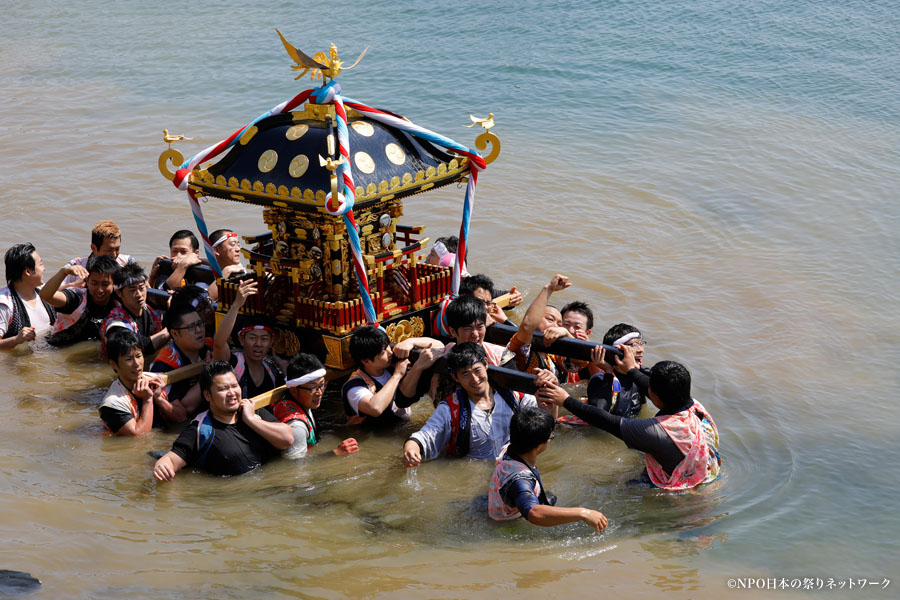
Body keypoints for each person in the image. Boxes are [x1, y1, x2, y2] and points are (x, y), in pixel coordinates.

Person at [536, 346, 722, 490]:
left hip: (685, 493)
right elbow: (651, 386)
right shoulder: (693, 405)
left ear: (655, 396)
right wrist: (631, 369)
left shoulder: (653, 431)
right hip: (708, 472)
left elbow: (605, 421)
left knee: (622, 488)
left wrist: (566, 400)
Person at [402, 343, 553, 465]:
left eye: (477, 370)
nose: (474, 379)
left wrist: (549, 403)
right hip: (470, 475)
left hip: (512, 469)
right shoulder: (450, 409)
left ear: (486, 364)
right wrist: (411, 447)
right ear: (456, 377)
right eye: (465, 374)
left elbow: (545, 428)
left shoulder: (515, 397)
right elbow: (426, 435)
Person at [152, 361, 294, 480]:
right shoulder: (201, 429)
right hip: (236, 499)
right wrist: (161, 467)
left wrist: (251, 419)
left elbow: (287, 439)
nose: (232, 393)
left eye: (234, 386)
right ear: (207, 395)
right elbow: (170, 459)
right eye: (223, 389)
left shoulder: (253, 410)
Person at [488, 406, 608, 532]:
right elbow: (534, 513)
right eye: (551, 437)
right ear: (539, 446)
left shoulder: (510, 447)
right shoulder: (520, 480)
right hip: (511, 527)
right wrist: (582, 513)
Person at [341, 325, 443, 426]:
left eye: (388, 346)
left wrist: (410, 342)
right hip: (378, 434)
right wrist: (397, 375)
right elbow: (375, 408)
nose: (390, 352)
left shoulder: (390, 360)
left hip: (402, 423)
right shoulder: (354, 386)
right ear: (366, 361)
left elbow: (440, 346)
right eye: (383, 352)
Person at [270, 353, 358, 458]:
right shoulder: (297, 427)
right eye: (313, 388)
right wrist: (335, 453)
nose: (319, 393)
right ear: (294, 391)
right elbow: (294, 468)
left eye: (321, 385)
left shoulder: (300, 401)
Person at [213, 278, 284, 399]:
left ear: (271, 342)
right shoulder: (233, 363)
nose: (258, 344)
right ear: (241, 339)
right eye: (252, 337)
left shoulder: (272, 370)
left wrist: (283, 365)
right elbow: (219, 343)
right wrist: (236, 305)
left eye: (264, 339)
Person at [149, 303, 214, 425]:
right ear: (175, 334)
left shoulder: (210, 348)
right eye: (191, 327)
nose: (199, 330)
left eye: (200, 324)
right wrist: (208, 373)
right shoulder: (163, 366)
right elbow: (182, 413)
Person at [40, 255, 118, 346]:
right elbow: (45, 296)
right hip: (59, 349)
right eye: (94, 283)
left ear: (114, 283)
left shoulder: (119, 300)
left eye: (105, 284)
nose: (100, 289)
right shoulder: (77, 298)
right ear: (87, 280)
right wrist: (63, 272)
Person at [99, 329, 166, 436]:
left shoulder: (156, 380)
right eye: (129, 359)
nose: (136, 364)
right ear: (114, 365)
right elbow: (137, 437)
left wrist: (160, 399)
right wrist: (147, 399)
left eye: (139, 356)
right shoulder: (112, 404)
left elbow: (181, 416)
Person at [100, 263, 168, 357]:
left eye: (141, 288)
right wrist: (172, 329)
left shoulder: (150, 309)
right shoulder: (116, 323)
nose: (139, 294)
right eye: (132, 290)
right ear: (119, 293)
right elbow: (141, 347)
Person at [0, 243, 56, 349]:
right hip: (20, 363)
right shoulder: (4, 304)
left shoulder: (44, 292)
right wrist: (16, 339)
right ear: (28, 271)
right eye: (41, 264)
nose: (44, 268)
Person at [61, 220, 132, 288]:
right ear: (93, 248)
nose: (114, 255)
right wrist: (72, 286)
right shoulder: (76, 266)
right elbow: (50, 293)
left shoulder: (127, 263)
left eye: (117, 249)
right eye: (108, 250)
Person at [598, 323, 649, 418]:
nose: (640, 350)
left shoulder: (639, 376)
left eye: (641, 344)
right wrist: (608, 373)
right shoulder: (601, 379)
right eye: (633, 345)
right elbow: (599, 418)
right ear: (616, 351)